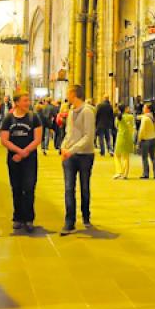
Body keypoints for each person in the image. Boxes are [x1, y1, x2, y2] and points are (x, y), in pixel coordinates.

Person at [0, 91, 42, 232]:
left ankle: (29, 218)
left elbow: (37, 138)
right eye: (25, 100)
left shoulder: (33, 117)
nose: (27, 103)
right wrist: (18, 151)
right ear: (17, 102)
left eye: (28, 100)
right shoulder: (8, 119)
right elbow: (4, 139)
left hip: (29, 159)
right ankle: (18, 217)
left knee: (29, 188)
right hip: (14, 159)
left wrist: (25, 152)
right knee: (16, 188)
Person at [60, 84, 96, 235]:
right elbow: (69, 133)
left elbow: (88, 136)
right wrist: (63, 146)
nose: (67, 96)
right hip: (69, 155)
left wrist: (71, 150)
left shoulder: (87, 111)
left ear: (74, 94)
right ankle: (69, 222)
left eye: (69, 93)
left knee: (84, 187)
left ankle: (86, 215)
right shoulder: (71, 111)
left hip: (84, 155)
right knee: (69, 188)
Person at [113, 103, 135, 179]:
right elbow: (132, 126)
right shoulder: (131, 117)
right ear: (125, 109)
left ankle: (119, 171)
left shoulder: (118, 117)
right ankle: (125, 174)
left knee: (117, 155)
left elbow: (116, 126)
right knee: (126, 157)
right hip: (128, 137)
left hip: (120, 136)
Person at [138, 102, 155, 179]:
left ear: (148, 109)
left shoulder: (145, 118)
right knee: (153, 157)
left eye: (144, 107)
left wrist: (139, 139)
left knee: (145, 157)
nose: (143, 109)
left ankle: (145, 173)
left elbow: (142, 130)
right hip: (153, 138)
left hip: (146, 139)